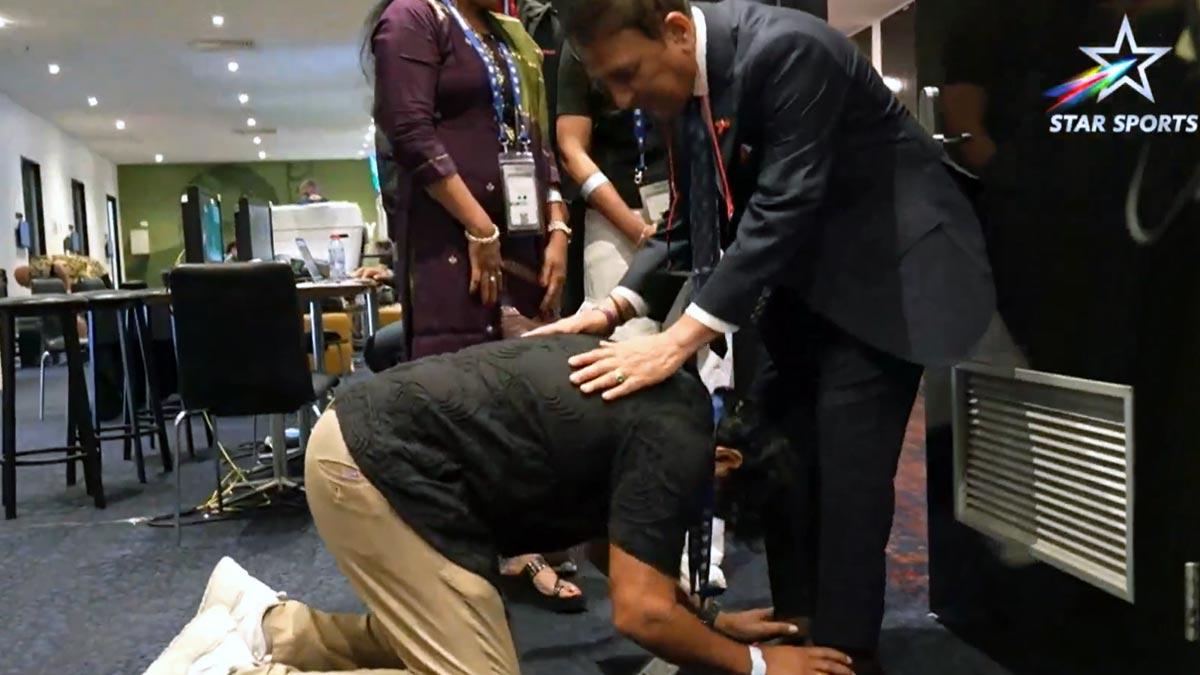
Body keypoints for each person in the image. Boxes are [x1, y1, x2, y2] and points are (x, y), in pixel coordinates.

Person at [530, 1, 996, 670]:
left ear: (676, 32)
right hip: (808, 282)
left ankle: (845, 655)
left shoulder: (791, 50)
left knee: (846, 478)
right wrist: (613, 307)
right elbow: (689, 224)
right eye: (609, 84)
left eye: (628, 75)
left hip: (892, 276)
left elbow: (781, 206)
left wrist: (675, 341)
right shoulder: (691, 87)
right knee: (776, 457)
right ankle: (798, 636)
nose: (623, 98)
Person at [145, 336, 854, 675]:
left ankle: (272, 627)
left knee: (455, 640)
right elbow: (637, 612)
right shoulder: (677, 438)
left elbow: (616, 549)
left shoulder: (676, 410)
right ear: (725, 460)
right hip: (375, 467)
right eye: (721, 500)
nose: (700, 513)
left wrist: (707, 620)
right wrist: (757, 665)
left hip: (376, 451)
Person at [364, 0, 577, 607]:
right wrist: (480, 227)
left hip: (525, 241)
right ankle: (463, 564)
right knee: (461, 408)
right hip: (450, 248)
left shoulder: (507, 36)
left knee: (522, 405)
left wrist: (558, 224)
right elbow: (409, 132)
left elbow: (534, 138)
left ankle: (519, 546)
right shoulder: (412, 18)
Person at [556, 40, 663, 338]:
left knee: (697, 345)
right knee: (623, 341)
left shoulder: (669, 24)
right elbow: (571, 150)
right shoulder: (583, 39)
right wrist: (637, 230)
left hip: (680, 212)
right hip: (614, 220)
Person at [14, 252, 108, 292]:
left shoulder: (37, 269)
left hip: (91, 273)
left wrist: (67, 289)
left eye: (22, 283)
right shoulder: (36, 272)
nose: (25, 286)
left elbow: (58, 267)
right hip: (95, 273)